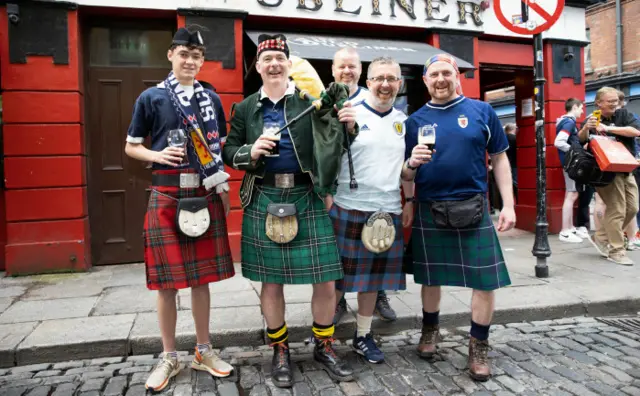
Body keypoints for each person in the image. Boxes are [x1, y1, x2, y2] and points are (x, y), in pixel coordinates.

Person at [222, 34, 356, 388]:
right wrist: (249, 152)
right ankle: (279, 347)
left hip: (306, 194)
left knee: (326, 279)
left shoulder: (309, 102)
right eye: (267, 59)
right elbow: (228, 151)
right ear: (258, 67)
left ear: (288, 63)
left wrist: (348, 122)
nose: (275, 64)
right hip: (264, 194)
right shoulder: (246, 107)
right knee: (271, 280)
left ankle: (324, 344)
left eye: (281, 57)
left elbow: (337, 140)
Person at [124, 26, 235, 392]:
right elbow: (131, 146)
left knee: (201, 280)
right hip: (167, 194)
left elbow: (217, 148)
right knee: (166, 284)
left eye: (196, 56)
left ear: (202, 61)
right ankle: (169, 356)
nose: (190, 61)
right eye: (183, 54)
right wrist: (156, 155)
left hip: (204, 192)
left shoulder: (211, 99)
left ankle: (203, 351)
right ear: (170, 55)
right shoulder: (151, 98)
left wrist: (222, 187)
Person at [402, 54, 516, 381]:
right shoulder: (414, 121)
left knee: (485, 281)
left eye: (446, 73)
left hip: (474, 205)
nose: (440, 79)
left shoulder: (482, 111)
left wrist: (508, 204)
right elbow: (406, 172)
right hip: (429, 206)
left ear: (457, 76)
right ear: (425, 81)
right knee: (430, 278)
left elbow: (500, 158)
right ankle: (430, 330)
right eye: (433, 74)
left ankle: (478, 344)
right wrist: (409, 192)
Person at [325, 56, 414, 364]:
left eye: (392, 79)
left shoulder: (403, 121)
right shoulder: (349, 113)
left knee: (372, 282)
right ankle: (324, 338)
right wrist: (327, 197)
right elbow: (328, 158)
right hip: (349, 206)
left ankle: (363, 335)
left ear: (399, 84)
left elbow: (404, 169)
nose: (385, 84)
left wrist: (409, 200)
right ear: (368, 82)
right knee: (335, 280)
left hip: (387, 209)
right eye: (379, 78)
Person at [331, 47, 399, 324]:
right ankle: (334, 311)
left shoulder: (400, 118)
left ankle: (375, 304)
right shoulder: (331, 103)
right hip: (347, 200)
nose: (347, 71)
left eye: (352, 66)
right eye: (342, 67)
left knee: (374, 270)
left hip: (386, 203)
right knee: (338, 268)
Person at [579, 86, 640, 265]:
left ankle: (602, 236)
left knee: (633, 208)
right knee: (617, 209)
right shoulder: (592, 118)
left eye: (615, 100)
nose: (614, 103)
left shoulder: (624, 115)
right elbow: (581, 140)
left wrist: (608, 128)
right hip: (604, 172)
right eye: (610, 101)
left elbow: (636, 132)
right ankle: (616, 250)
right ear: (598, 103)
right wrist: (585, 129)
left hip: (626, 168)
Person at [554, 98, 591, 242]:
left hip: (569, 163)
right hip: (571, 164)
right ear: (574, 107)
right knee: (572, 195)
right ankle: (565, 231)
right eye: (581, 108)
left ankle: (569, 228)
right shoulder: (569, 122)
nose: (582, 111)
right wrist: (576, 152)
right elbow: (559, 142)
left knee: (571, 195)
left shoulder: (566, 121)